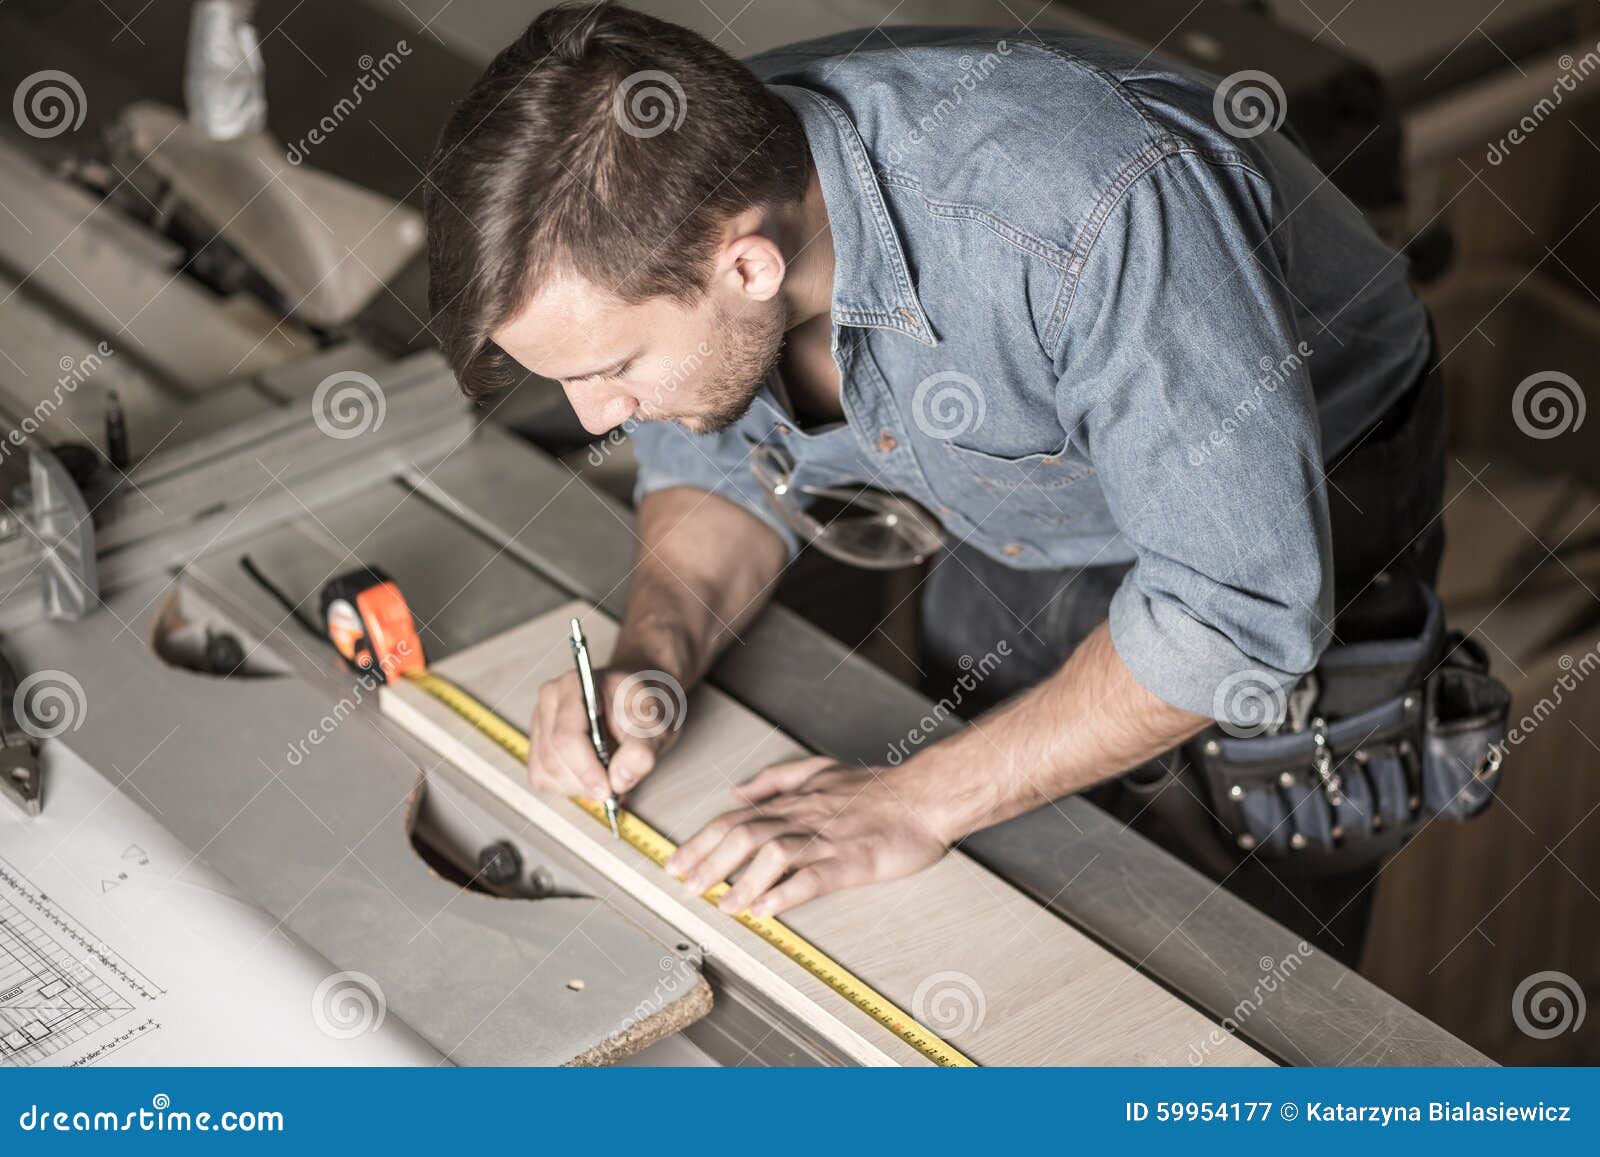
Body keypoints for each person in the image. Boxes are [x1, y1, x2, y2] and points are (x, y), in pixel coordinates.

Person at [424, 2, 1444, 966]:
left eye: (613, 370)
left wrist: (912, 801)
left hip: (1299, 481)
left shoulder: (1086, 213)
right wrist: (652, 656)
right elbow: (720, 462)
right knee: (1001, 879)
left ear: (747, 269)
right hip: (1018, 494)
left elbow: (1234, 611)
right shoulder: (706, 185)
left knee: (1218, 949)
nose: (595, 418)